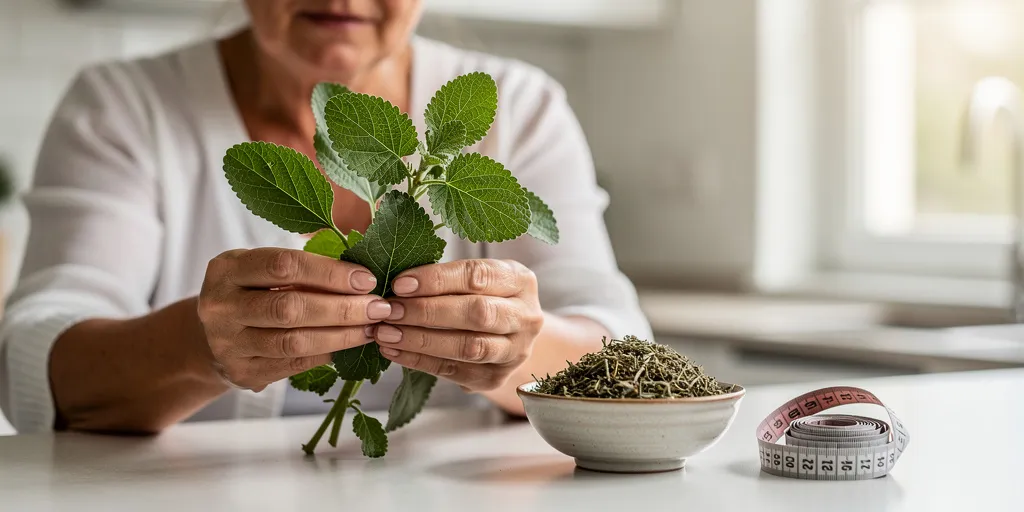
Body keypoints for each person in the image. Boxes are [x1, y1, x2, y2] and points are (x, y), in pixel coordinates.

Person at [0, 0, 651, 435]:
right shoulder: (124, 108)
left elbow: (626, 350)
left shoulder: (518, 107)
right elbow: (33, 361)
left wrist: (512, 351)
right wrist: (201, 348)